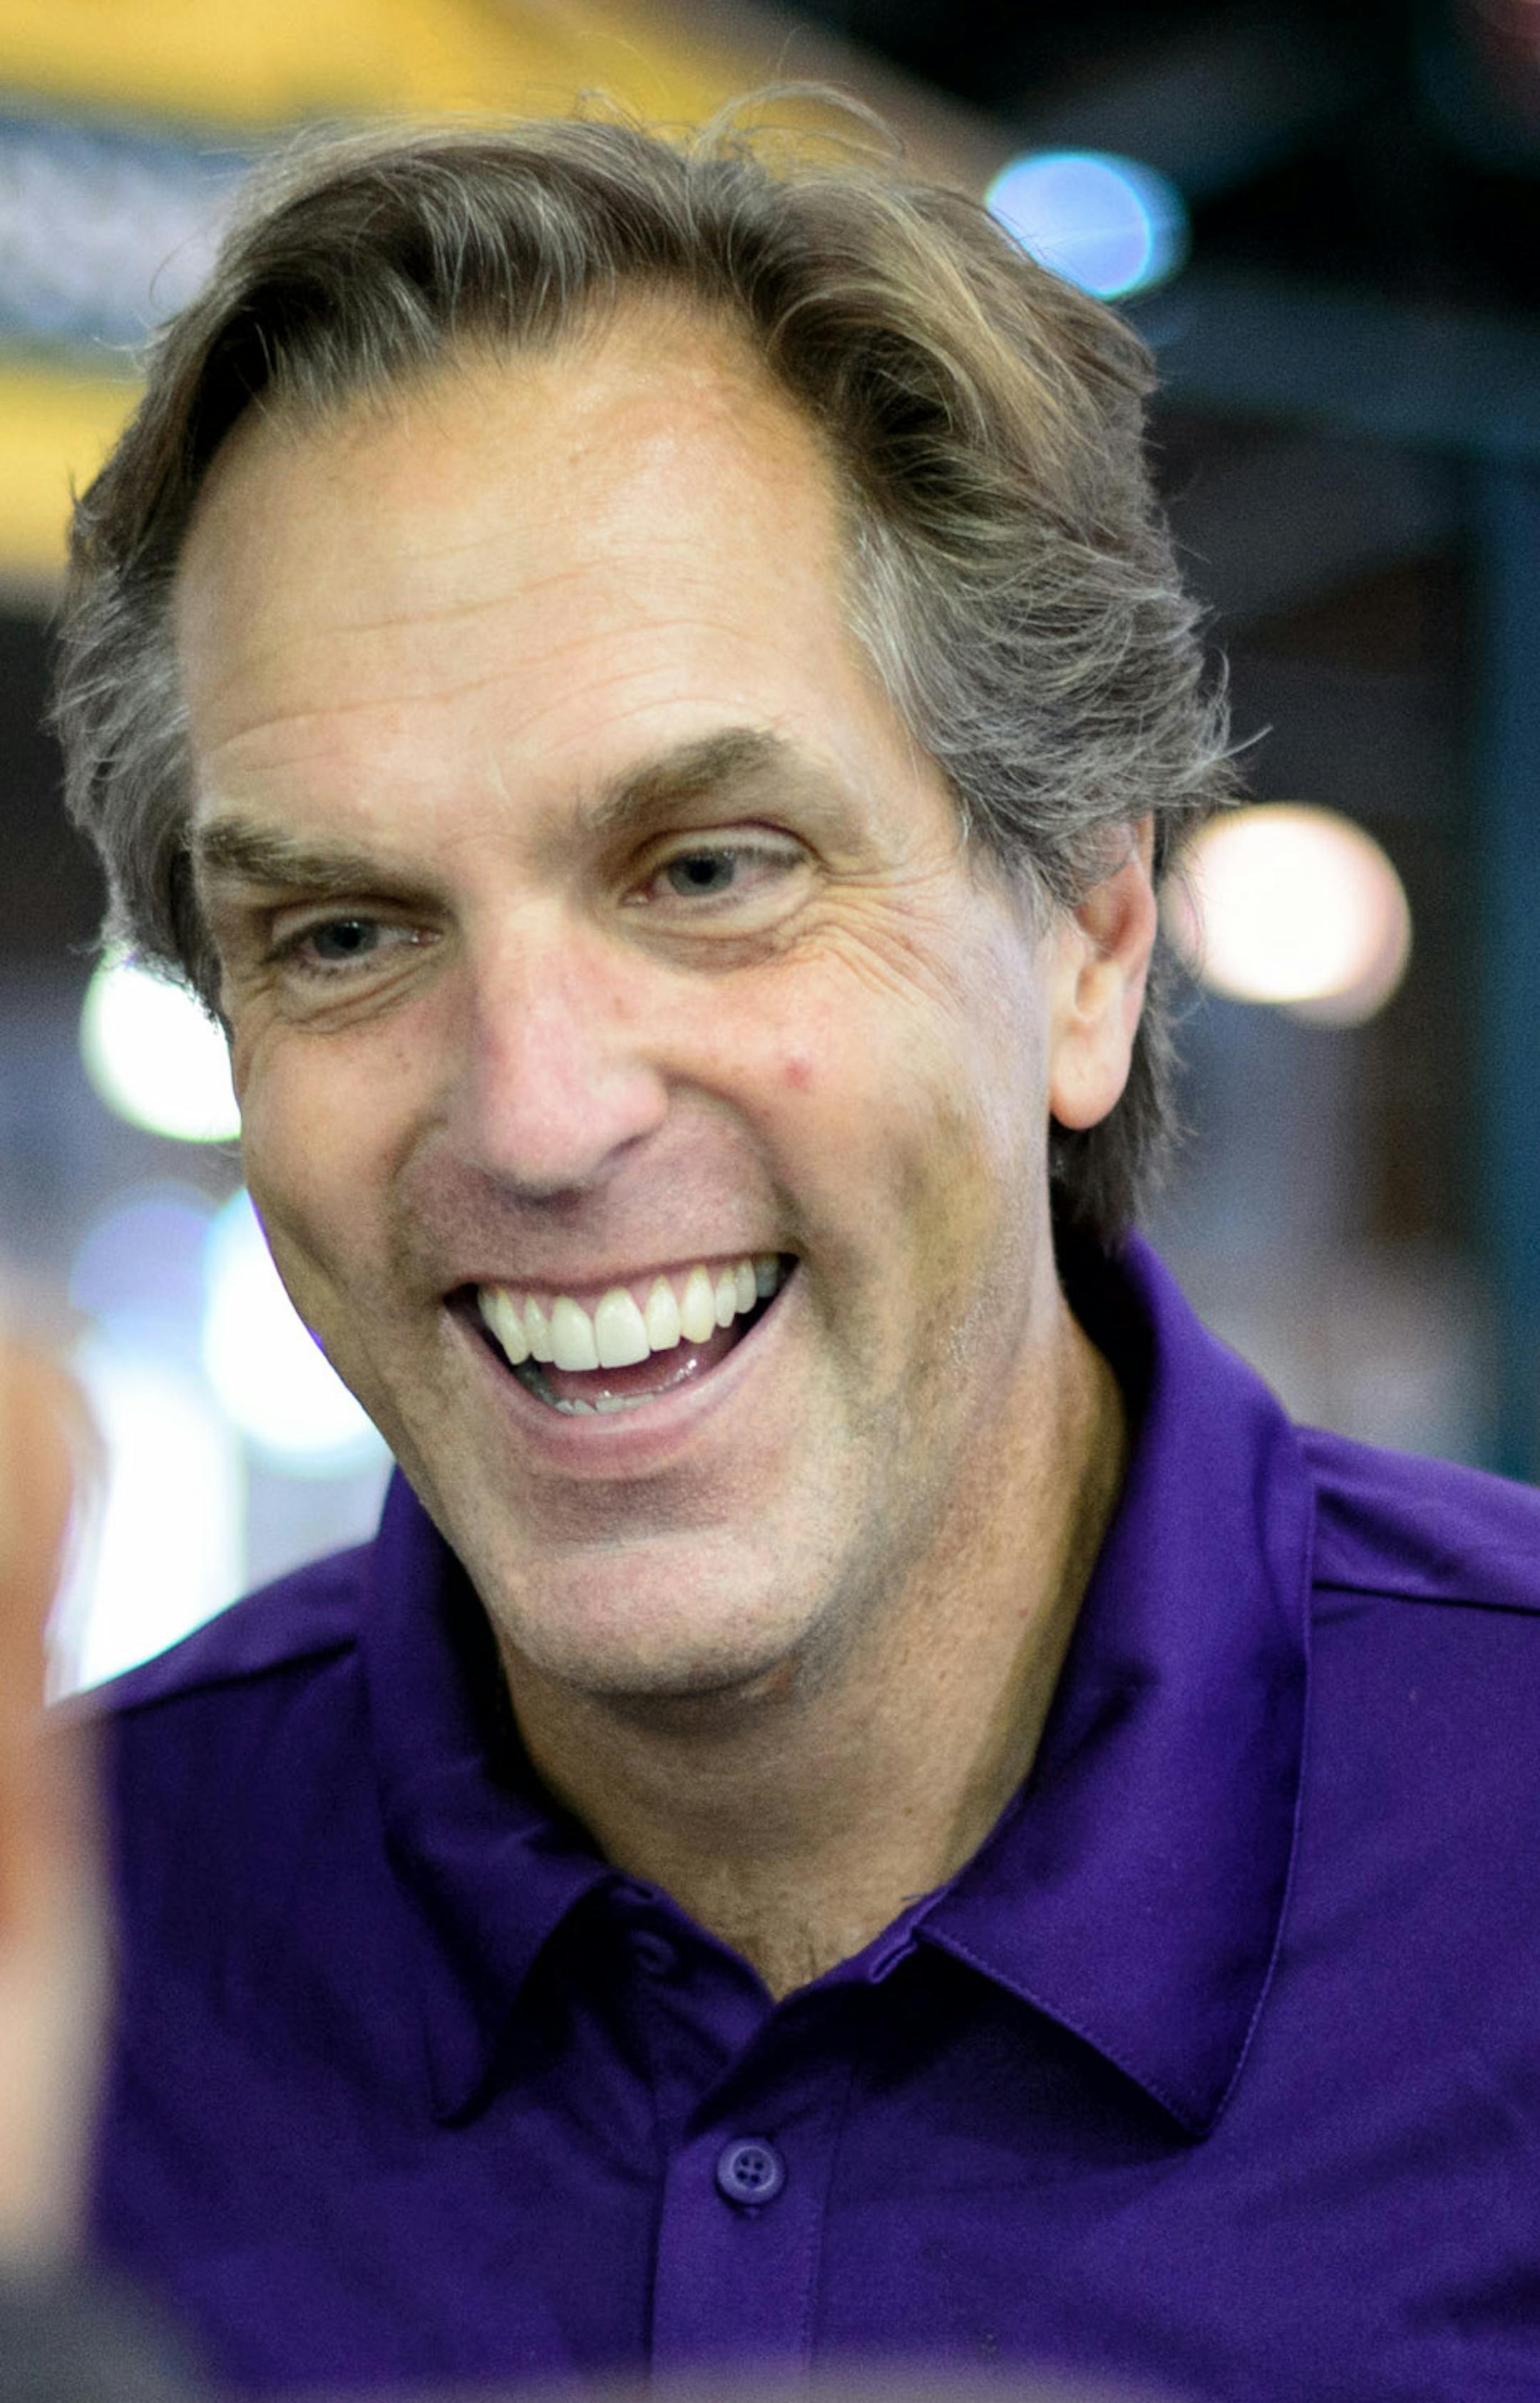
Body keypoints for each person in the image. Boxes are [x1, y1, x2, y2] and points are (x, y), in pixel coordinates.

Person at [50, 96, 1540, 2403]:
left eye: (711, 867)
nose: (540, 1113)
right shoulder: (68, 1985)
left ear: (1093, 936)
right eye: (343, 930)